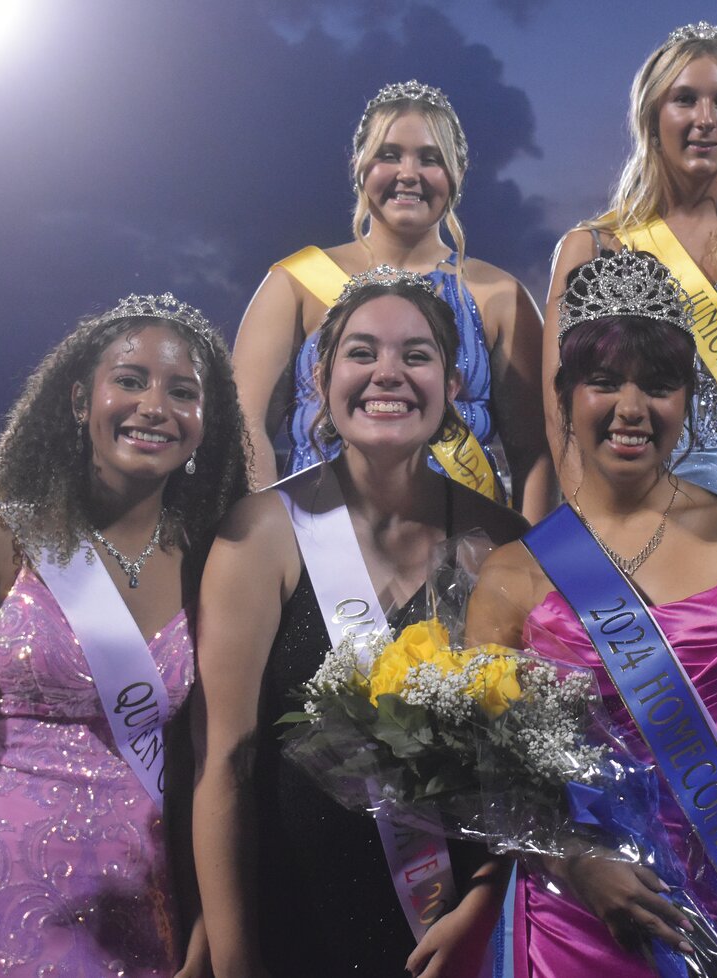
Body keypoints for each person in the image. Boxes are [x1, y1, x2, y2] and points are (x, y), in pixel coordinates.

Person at [472, 251, 717, 977]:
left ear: (689, 397)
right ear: (565, 394)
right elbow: (496, 779)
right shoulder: (510, 575)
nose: (632, 408)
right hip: (584, 917)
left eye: (660, 384)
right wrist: (575, 864)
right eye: (604, 382)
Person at [0, 293, 250, 978]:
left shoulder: (218, 563)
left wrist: (211, 918)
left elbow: (221, 767)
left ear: (207, 423)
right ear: (81, 400)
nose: (154, 405)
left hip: (149, 912)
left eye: (182, 392)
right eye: (129, 380)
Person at [193, 267, 528, 978]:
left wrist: (486, 900)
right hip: (302, 926)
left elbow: (529, 766)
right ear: (319, 376)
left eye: (416, 355)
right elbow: (225, 765)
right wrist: (233, 960)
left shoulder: (502, 541)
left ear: (453, 383)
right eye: (361, 352)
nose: (388, 374)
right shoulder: (260, 536)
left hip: (465, 937)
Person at [541, 22, 717, 568]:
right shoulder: (590, 247)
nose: (706, 119)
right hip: (617, 507)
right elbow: (560, 407)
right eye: (685, 100)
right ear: (652, 116)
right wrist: (587, 529)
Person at [233, 79, 552, 520]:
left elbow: (537, 452)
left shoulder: (499, 296)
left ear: (457, 172)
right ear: (358, 165)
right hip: (323, 556)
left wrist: (530, 565)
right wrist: (265, 542)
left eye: (430, 158)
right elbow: (247, 429)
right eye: (389, 155)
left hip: (468, 556)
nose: (408, 173)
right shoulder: (296, 283)